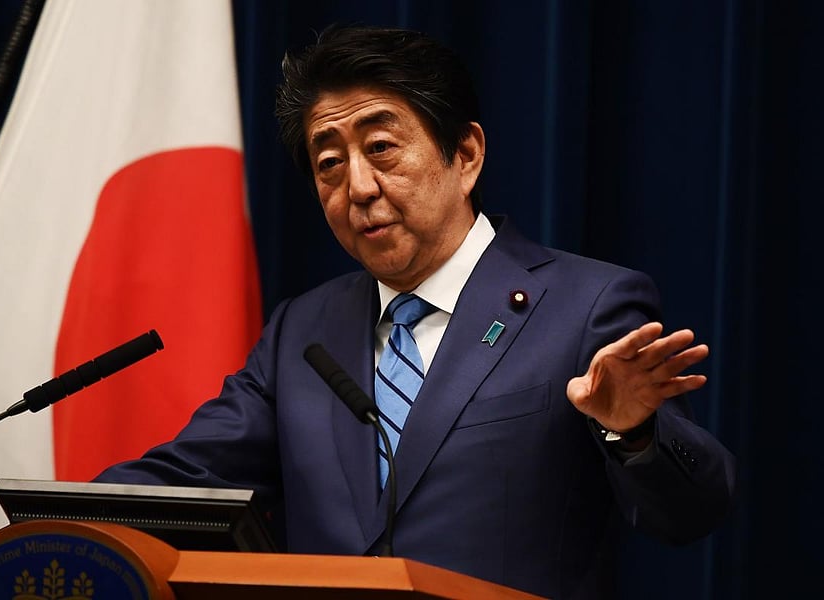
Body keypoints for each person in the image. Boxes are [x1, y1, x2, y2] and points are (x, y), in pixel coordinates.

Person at [95, 24, 736, 599]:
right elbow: (187, 477)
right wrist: (50, 518)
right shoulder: (303, 331)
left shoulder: (585, 306)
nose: (359, 188)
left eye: (381, 148)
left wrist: (633, 434)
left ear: (465, 155)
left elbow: (689, 515)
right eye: (328, 164)